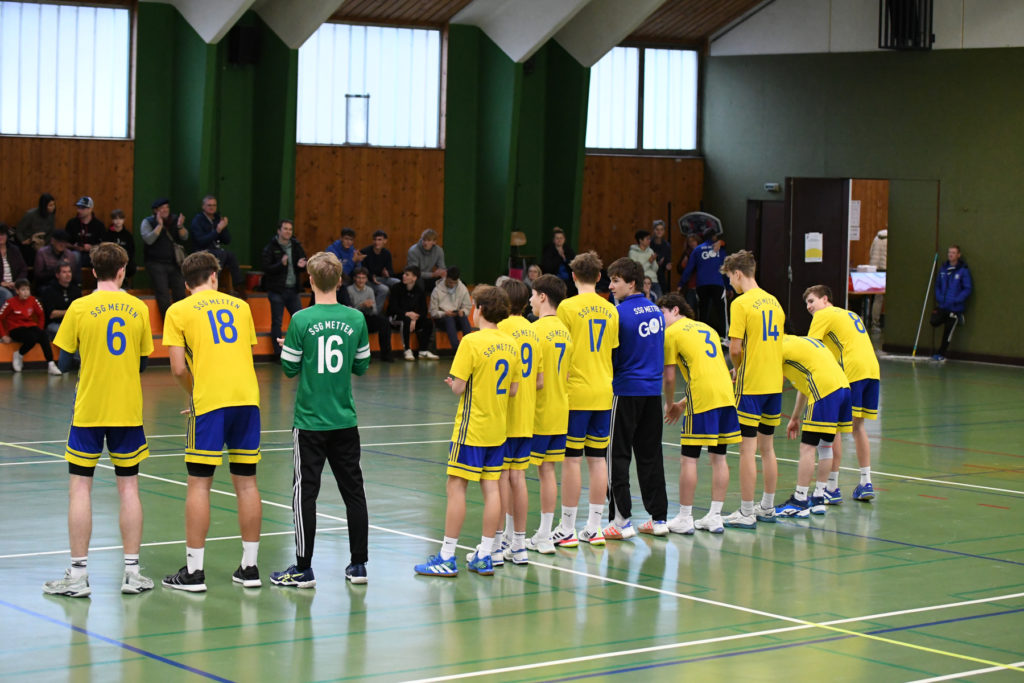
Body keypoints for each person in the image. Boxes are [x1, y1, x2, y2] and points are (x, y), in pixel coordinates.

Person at [42, 243, 154, 597]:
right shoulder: (138, 308)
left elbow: (63, 362)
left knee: (80, 487)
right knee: (129, 488)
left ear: (92, 272)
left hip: (89, 409)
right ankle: (132, 574)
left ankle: (78, 576)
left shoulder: (79, 307)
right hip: (127, 410)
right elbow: (143, 363)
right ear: (123, 271)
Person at [162, 252, 262, 592]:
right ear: (215, 276)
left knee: (199, 484)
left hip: (210, 405)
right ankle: (250, 568)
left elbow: (178, 368)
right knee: (246, 483)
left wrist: (195, 394)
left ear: (186, 283)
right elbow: (243, 354)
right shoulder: (241, 307)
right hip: (247, 401)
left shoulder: (178, 311)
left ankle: (194, 572)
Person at [271, 251, 371, 588]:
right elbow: (361, 366)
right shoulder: (356, 319)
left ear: (310, 280)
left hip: (310, 423)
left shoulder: (301, 320)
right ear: (340, 281)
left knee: (305, 494)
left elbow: (289, 369)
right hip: (345, 421)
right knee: (354, 492)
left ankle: (303, 568)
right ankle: (358, 565)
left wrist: (291, 347)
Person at [413, 285, 519, 577]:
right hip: (498, 429)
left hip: (472, 429)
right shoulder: (511, 343)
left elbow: (459, 387)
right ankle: (485, 554)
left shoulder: (471, 342)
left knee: (456, 486)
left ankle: (447, 556)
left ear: (480, 309)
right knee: (492, 487)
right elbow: (513, 389)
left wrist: (458, 384)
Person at [552, 251, 619, 547]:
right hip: (604, 391)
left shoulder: (566, 307)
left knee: (571, 460)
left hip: (576, 393)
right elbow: (612, 350)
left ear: (573, 276)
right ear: (600, 277)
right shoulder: (611, 309)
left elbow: (561, 350)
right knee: (597, 459)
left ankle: (567, 527)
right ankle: (594, 526)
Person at [659, 293, 740, 535]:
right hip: (726, 395)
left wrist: (670, 404)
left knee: (689, 458)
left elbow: (669, 377)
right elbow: (711, 372)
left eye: (662, 313)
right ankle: (715, 517)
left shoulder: (671, 334)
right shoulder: (707, 329)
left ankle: (685, 517)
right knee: (719, 457)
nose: (660, 320)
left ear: (675, 310)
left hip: (703, 398)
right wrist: (683, 403)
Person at [602, 258, 668, 539]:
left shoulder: (618, 314)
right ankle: (659, 518)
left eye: (615, 280)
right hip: (652, 393)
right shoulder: (656, 311)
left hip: (626, 391)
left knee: (617, 455)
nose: (610, 286)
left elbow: (613, 356)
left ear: (631, 283)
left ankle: (621, 520)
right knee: (651, 455)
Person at [721, 249, 785, 529]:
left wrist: (737, 368)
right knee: (767, 448)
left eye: (730, 278)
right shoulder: (774, 302)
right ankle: (767, 507)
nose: (730, 283)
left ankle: (746, 512)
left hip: (752, 385)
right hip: (774, 384)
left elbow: (735, 349)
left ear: (737, 274)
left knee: (747, 450)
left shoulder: (741, 303)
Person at [804, 285, 880, 503]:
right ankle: (866, 482)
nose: (809, 307)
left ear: (825, 299)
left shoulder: (823, 315)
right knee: (858, 427)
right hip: (872, 370)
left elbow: (810, 350)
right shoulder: (849, 314)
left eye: (812, 301)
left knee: (835, 427)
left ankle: (832, 486)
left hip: (853, 370)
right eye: (806, 303)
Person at [775, 335, 852, 518]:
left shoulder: (779, 347)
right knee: (825, 446)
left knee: (807, 447)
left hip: (824, 391)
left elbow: (771, 380)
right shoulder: (803, 343)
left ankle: (799, 500)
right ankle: (818, 498)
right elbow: (804, 386)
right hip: (844, 389)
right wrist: (795, 418)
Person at [494, 278, 542, 566]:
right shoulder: (533, 331)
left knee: (499, 477)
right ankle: (519, 544)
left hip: (503, 414)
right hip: (526, 415)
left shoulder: (500, 328)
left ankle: (497, 543)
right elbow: (539, 380)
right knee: (519, 478)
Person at [524, 275, 572, 555]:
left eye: (533, 295)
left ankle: (511, 538)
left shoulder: (534, 331)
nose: (530, 300)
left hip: (537, 413)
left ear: (542, 296)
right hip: (560, 411)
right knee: (548, 472)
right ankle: (544, 535)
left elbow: (533, 379)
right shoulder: (565, 331)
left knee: (515, 473)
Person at [261, 219, 307, 360]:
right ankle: (278, 354)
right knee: (277, 322)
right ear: (279, 231)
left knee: (300, 320)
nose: (288, 231)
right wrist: (281, 264)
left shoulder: (296, 246)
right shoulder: (270, 247)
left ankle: (301, 350)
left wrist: (302, 265)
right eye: (285, 229)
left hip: (293, 290)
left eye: (290, 229)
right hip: (277, 291)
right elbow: (266, 268)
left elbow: (303, 262)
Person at [140, 198, 189, 317]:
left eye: (167, 207)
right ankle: (167, 321)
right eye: (162, 208)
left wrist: (180, 226)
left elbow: (185, 237)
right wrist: (159, 226)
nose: (165, 210)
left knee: (180, 292)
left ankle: (181, 320)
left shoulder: (175, 220)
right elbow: (149, 240)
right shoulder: (148, 222)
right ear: (155, 211)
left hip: (174, 263)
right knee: (163, 294)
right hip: (155, 263)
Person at [1, 278, 61, 375]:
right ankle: (19, 354)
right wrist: (3, 335)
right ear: (17, 291)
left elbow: (41, 314)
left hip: (29, 326)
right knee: (32, 337)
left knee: (43, 335)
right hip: (15, 329)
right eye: (23, 290)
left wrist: (40, 329)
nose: (26, 292)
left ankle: (51, 363)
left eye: (27, 289)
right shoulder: (10, 303)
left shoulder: (33, 300)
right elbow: (0, 318)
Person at [189, 195, 245, 295]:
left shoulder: (217, 219)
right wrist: (217, 230)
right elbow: (201, 241)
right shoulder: (197, 220)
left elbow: (227, 240)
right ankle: (215, 286)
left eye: (214, 205)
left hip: (216, 250)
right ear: (203, 206)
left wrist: (224, 228)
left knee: (231, 255)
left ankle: (239, 287)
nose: (212, 207)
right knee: (220, 254)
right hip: (201, 251)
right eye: (209, 205)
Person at [681, 230, 728, 338]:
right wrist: (729, 286)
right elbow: (725, 269)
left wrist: (681, 283)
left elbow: (689, 268)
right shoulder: (720, 249)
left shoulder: (697, 250)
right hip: (717, 284)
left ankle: (701, 337)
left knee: (703, 311)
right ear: (714, 237)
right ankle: (724, 337)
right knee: (721, 312)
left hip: (702, 285)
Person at [930, 244, 972, 361]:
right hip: (943, 305)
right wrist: (939, 297)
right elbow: (937, 285)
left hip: (955, 307)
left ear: (958, 255)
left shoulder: (963, 271)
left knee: (948, 332)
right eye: (949, 252)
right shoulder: (943, 269)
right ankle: (953, 318)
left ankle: (941, 354)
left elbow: (967, 288)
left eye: (953, 253)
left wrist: (957, 299)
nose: (950, 255)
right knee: (934, 321)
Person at [388, 266, 437, 361]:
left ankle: (423, 351)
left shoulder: (419, 290)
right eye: (404, 274)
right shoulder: (396, 288)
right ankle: (407, 350)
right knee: (406, 320)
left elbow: (423, 310)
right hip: (396, 318)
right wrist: (407, 314)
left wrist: (415, 318)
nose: (404, 276)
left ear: (414, 278)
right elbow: (392, 308)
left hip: (413, 319)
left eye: (407, 275)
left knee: (428, 322)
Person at [347, 267, 392, 361]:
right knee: (361, 323)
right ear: (354, 278)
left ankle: (386, 355)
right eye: (359, 278)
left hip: (368, 316)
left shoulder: (370, 290)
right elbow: (349, 311)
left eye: (363, 278)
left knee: (384, 322)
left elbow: (374, 311)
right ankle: (363, 356)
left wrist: (370, 307)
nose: (361, 280)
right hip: (355, 318)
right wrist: (362, 305)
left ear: (366, 279)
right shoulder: (349, 290)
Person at [429, 265, 473, 352]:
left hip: (456, 317)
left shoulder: (462, 289)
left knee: (463, 317)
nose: (452, 285)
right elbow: (433, 312)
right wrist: (444, 313)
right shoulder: (437, 290)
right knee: (449, 319)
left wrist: (462, 311)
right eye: (449, 282)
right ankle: (457, 349)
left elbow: (467, 307)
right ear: (446, 278)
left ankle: (469, 347)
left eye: (454, 283)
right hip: (441, 318)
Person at [359, 230, 399, 313]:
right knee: (384, 289)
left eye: (379, 240)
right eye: (375, 240)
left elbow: (391, 271)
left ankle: (393, 310)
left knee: (398, 283)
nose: (377, 242)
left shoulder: (386, 253)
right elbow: (362, 270)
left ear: (385, 241)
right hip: (368, 279)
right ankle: (375, 313)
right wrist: (371, 277)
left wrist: (387, 273)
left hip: (382, 278)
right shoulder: (365, 252)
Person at [39, 263, 81, 340]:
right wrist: (70, 312)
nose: (68, 275)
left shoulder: (76, 290)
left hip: (73, 323)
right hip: (55, 323)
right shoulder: (49, 291)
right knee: (69, 334)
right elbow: (52, 314)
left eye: (69, 272)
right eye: (64, 272)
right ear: (57, 275)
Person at [64, 197, 105, 268]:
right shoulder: (72, 223)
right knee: (74, 256)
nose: (79, 210)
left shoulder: (99, 225)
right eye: (78, 208)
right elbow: (64, 242)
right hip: (75, 253)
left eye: (82, 208)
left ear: (90, 209)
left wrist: (91, 247)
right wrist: (74, 246)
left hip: (93, 253)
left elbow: (104, 244)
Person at [15, 193, 56, 262]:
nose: (53, 207)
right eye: (50, 205)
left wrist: (45, 243)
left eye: (53, 204)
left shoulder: (51, 216)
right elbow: (19, 230)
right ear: (44, 206)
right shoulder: (30, 214)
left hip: (43, 243)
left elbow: (51, 232)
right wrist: (23, 240)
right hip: (30, 243)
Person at [103, 210, 137, 282]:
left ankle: (124, 281)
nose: (118, 221)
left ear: (123, 220)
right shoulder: (107, 234)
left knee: (131, 267)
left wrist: (125, 260)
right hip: (111, 260)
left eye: (120, 218)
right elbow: (104, 249)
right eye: (115, 219)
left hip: (124, 260)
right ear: (112, 220)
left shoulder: (128, 235)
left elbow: (131, 250)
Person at [0, 224, 29, 305]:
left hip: (14, 283)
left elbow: (23, 268)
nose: (0, 237)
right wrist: (1, 283)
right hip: (1, 285)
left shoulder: (14, 249)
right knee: (8, 295)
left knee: (25, 293)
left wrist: (17, 282)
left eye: (3, 234)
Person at [540, 227, 575, 294]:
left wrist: (565, 259)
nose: (559, 240)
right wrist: (559, 257)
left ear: (564, 239)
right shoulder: (548, 251)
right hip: (554, 279)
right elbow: (548, 267)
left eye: (561, 238)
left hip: (568, 280)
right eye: (557, 238)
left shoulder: (568, 250)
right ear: (553, 240)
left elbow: (573, 265)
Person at [627, 230, 661, 298]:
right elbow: (636, 270)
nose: (649, 241)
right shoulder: (633, 253)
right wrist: (649, 262)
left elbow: (655, 269)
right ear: (641, 240)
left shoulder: (650, 251)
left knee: (660, 300)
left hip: (653, 280)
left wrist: (653, 261)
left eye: (650, 239)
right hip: (642, 281)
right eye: (647, 239)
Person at [675, 232, 701, 314]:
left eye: (693, 241)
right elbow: (680, 270)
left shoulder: (702, 252)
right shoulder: (687, 253)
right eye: (689, 241)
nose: (692, 243)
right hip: (690, 285)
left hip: (701, 284)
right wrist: (683, 265)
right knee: (690, 309)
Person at [868, 229, 887, 330]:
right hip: (885, 270)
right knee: (882, 298)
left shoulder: (876, 238)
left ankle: (873, 322)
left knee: (876, 297)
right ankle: (877, 322)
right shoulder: (890, 239)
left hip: (875, 270)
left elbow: (871, 253)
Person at [651, 220, 672, 294]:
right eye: (657, 229)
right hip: (649, 275)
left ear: (664, 231)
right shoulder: (649, 243)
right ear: (653, 230)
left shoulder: (666, 245)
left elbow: (667, 260)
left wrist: (667, 265)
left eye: (661, 229)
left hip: (661, 275)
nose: (659, 232)